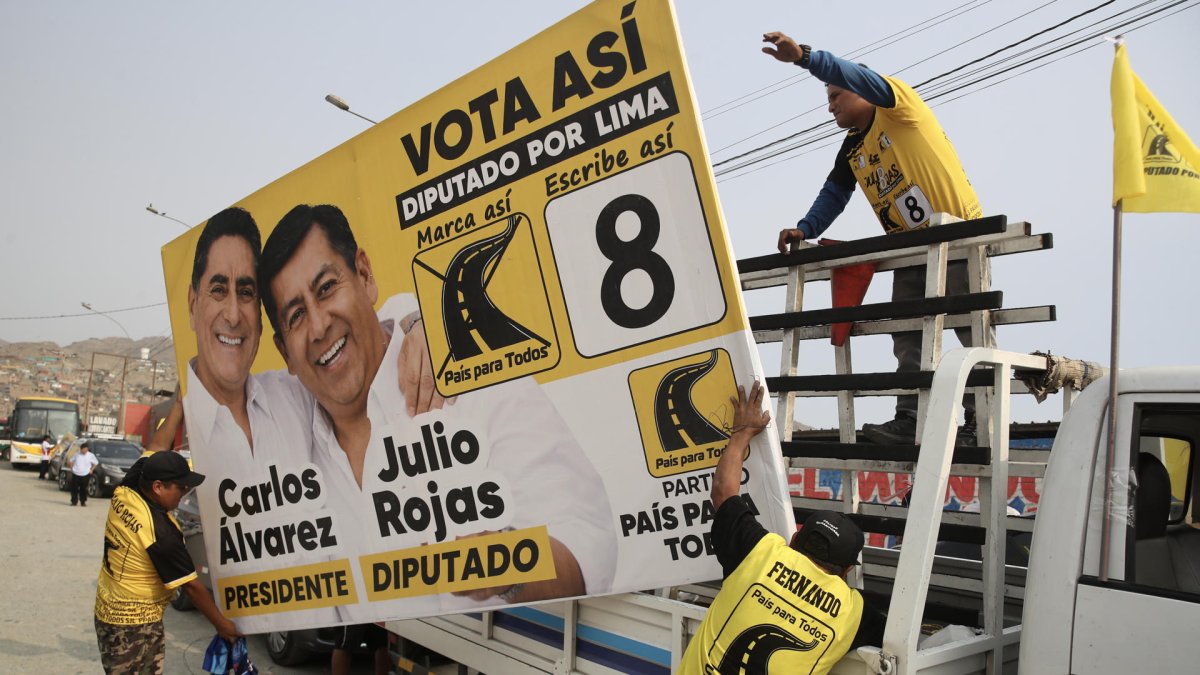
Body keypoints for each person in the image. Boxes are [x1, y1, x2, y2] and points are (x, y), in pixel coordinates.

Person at [258, 203, 617, 624]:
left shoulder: (469, 379)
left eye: (326, 288)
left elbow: (589, 547)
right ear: (284, 350)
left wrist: (503, 564)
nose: (318, 326)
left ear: (365, 275)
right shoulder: (291, 433)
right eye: (296, 315)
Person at [763, 31, 993, 445]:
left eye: (836, 95)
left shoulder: (898, 106)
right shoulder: (853, 147)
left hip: (957, 235)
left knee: (967, 328)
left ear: (862, 89)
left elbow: (846, 71)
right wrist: (807, 228)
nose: (830, 104)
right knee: (907, 335)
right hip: (911, 249)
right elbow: (835, 192)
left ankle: (979, 421)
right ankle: (911, 418)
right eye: (828, 98)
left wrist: (805, 58)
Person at [680, 380, 885, 674]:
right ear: (846, 571)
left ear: (794, 539)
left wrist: (742, 434)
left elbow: (723, 492)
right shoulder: (852, 612)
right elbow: (900, 640)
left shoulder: (760, 554)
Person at [94, 450, 240, 674]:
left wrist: (178, 412)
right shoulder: (160, 533)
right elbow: (192, 586)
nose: (185, 492)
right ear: (158, 487)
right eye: (180, 487)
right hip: (134, 626)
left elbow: (157, 443)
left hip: (108, 610)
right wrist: (222, 625)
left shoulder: (126, 491)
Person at [69, 439, 99, 506]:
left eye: (86, 449)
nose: (85, 451)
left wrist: (91, 470)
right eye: (83, 450)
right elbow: (70, 461)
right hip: (76, 473)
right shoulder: (77, 454)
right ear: (81, 449)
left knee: (83, 489)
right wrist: (72, 469)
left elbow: (96, 463)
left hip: (85, 474)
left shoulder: (90, 455)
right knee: (74, 489)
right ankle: (74, 501)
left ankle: (83, 501)